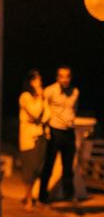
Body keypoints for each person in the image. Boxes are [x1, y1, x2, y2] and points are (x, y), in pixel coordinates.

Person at [38, 66, 80, 203]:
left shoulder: (75, 92)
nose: (65, 79)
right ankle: (42, 195)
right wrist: (46, 127)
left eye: (67, 76)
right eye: (62, 76)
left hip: (69, 131)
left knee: (68, 165)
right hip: (55, 130)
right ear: (57, 77)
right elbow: (44, 107)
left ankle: (69, 195)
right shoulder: (50, 90)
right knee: (49, 164)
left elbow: (74, 109)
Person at [18, 69, 50, 212]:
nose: (40, 82)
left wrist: (41, 101)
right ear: (31, 82)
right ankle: (29, 198)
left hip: (40, 135)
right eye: (38, 79)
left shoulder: (42, 97)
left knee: (38, 168)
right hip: (29, 136)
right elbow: (35, 112)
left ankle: (28, 195)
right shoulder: (25, 96)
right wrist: (40, 99)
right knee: (29, 168)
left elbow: (47, 114)